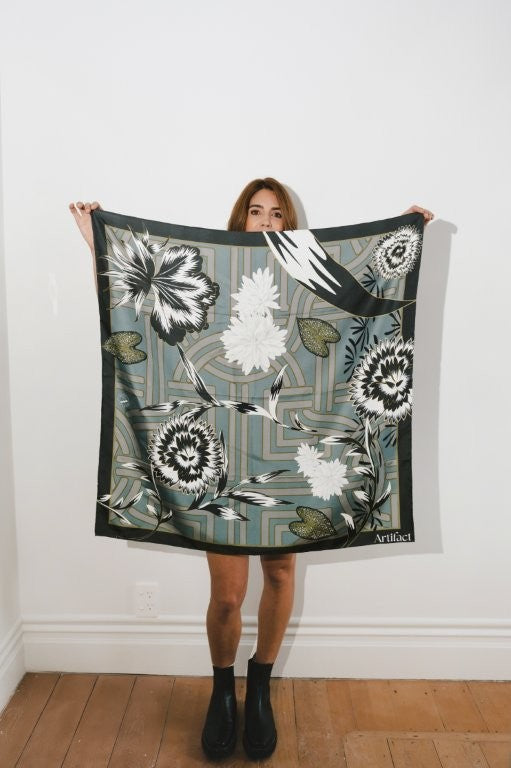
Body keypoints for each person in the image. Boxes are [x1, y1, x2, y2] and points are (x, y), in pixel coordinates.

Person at [69, 181, 434, 761]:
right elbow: (141, 303)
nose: (265, 221)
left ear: (289, 223)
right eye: (256, 211)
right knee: (227, 594)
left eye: (277, 214)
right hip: (221, 444)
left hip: (291, 444)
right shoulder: (212, 272)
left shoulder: (310, 274)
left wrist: (403, 237)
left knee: (281, 575)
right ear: (239, 219)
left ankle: (259, 685)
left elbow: (362, 305)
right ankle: (222, 689)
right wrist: (98, 242)